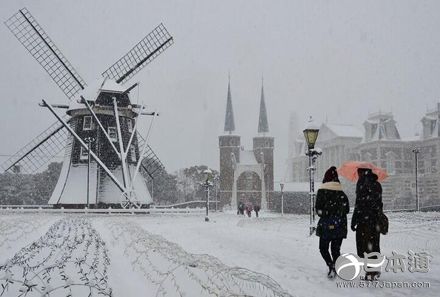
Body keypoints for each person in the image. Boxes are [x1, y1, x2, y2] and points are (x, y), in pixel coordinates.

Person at [315, 166, 350, 278]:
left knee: (323, 248)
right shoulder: (342, 193)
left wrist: (327, 212)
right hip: (340, 225)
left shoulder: (322, 192)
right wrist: (337, 214)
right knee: (336, 249)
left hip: (326, 226)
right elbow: (347, 209)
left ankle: (331, 266)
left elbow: (319, 211)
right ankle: (337, 267)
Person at [351, 168, 383, 280]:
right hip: (374, 221)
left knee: (364, 247)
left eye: (358, 173)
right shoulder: (377, 184)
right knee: (373, 245)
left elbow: (358, 205)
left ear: (361, 173)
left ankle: (370, 272)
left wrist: (354, 221)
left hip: (363, 221)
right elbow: (380, 203)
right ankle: (374, 270)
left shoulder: (361, 184)